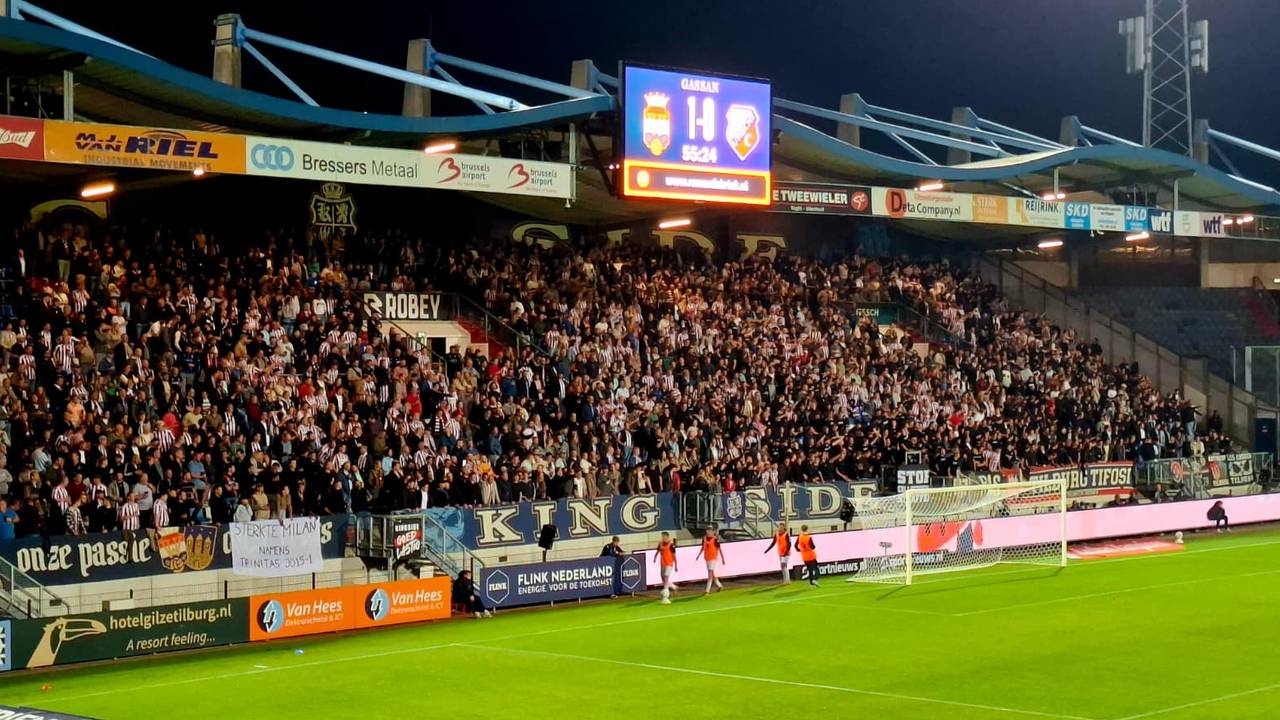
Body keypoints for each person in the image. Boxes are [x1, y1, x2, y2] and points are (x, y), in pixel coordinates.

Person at [695, 528, 725, 595]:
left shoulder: (715, 539)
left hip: (713, 558)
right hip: (707, 558)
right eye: (707, 531)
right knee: (712, 573)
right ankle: (719, 585)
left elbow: (719, 549)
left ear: (713, 532)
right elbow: (703, 547)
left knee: (710, 573)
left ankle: (707, 591)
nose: (708, 533)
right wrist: (699, 555)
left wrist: (723, 559)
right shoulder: (704, 538)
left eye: (709, 531)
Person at [655, 531, 678, 604]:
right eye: (662, 536)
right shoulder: (660, 543)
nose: (663, 538)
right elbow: (658, 551)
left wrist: (676, 565)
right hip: (662, 563)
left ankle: (665, 597)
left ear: (667, 537)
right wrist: (655, 557)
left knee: (666, 577)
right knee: (663, 579)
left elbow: (674, 555)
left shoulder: (671, 545)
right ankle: (673, 586)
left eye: (664, 536)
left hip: (669, 563)